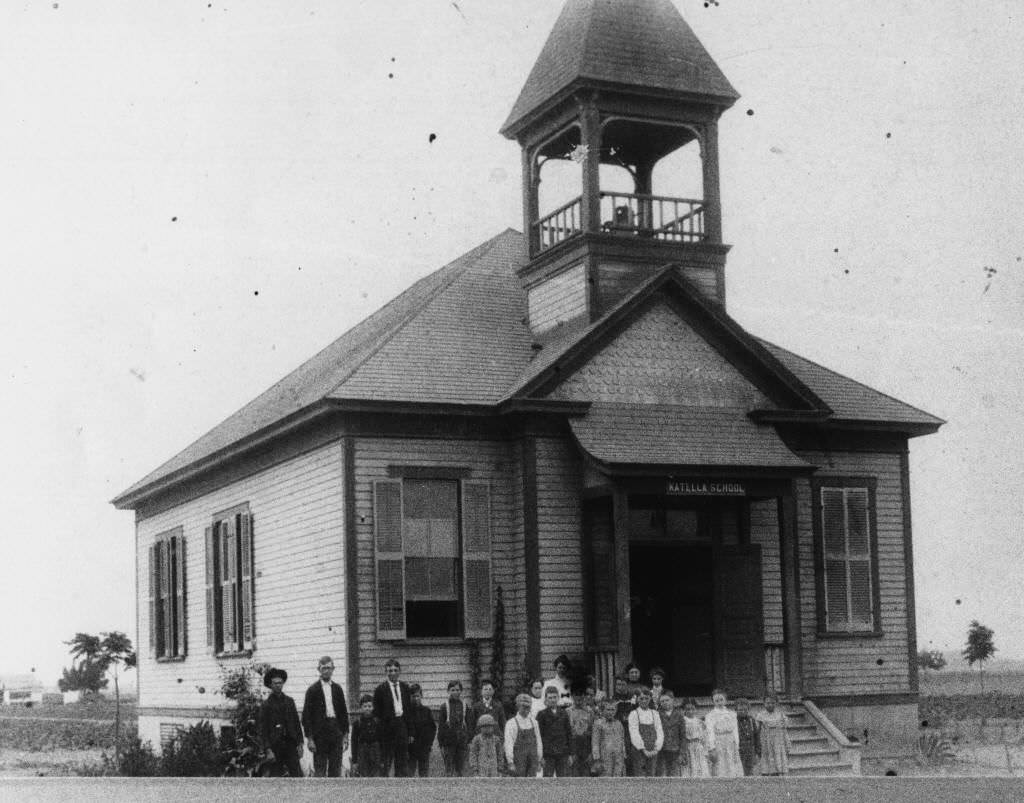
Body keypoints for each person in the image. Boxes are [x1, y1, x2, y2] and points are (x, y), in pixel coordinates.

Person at [301, 656, 349, 778]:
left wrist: (345, 735)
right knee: (320, 769)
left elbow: (343, 713)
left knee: (335, 768)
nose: (326, 671)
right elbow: (306, 717)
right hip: (319, 734)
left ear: (333, 669)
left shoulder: (337, 689)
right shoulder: (312, 690)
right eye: (323, 668)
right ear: (319, 670)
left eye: (329, 668)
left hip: (335, 731)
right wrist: (310, 739)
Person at [259, 667, 304, 777]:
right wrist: (268, 750)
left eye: (280, 683)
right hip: (275, 747)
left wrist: (300, 744)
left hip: (290, 745)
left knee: (297, 776)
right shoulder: (266, 705)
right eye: (275, 683)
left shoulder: (290, 702)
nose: (278, 685)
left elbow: (296, 724)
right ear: (270, 685)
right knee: (276, 777)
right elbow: (263, 730)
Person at [372, 658, 413, 777]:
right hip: (387, 728)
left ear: (400, 671)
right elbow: (377, 714)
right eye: (390, 671)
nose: (393, 673)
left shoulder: (405, 688)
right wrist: (381, 731)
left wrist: (410, 732)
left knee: (402, 761)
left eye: (395, 670)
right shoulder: (380, 689)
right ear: (386, 672)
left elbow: (409, 711)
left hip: (402, 726)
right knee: (386, 761)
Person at [705, 689, 743, 778]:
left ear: (725, 700)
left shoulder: (732, 714)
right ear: (713, 702)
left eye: (721, 700)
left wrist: (737, 744)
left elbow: (735, 730)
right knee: (721, 764)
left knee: (732, 763)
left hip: (730, 742)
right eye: (716, 701)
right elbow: (710, 732)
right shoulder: (710, 715)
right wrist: (712, 747)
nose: (719, 703)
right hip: (719, 742)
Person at [626, 686, 663, 776]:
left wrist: (656, 749)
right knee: (640, 775)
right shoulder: (634, 714)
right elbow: (634, 732)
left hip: (653, 749)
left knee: (652, 775)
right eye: (641, 698)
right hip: (639, 750)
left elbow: (659, 731)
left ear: (650, 699)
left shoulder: (655, 713)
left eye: (646, 698)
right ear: (637, 699)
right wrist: (643, 750)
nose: (644, 701)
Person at [536, 685, 572, 776]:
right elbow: (538, 736)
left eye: (554, 697)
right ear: (546, 699)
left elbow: (569, 734)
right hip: (548, 754)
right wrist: (541, 756)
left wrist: (570, 754)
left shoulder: (564, 713)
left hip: (562, 753)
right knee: (548, 781)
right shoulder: (541, 715)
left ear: (558, 698)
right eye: (550, 698)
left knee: (563, 780)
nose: (552, 700)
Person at [504, 692, 543, 777]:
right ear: (518, 706)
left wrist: (539, 759)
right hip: (519, 761)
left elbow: (538, 741)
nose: (526, 709)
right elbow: (508, 743)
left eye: (528, 707)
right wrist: (510, 762)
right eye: (523, 706)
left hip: (532, 760)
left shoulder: (534, 722)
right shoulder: (511, 723)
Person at [438, 679, 470, 776]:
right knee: (449, 768)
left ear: (461, 691)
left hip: (461, 742)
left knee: (461, 769)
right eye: (452, 690)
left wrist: (468, 740)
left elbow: (469, 723)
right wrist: (441, 743)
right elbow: (441, 726)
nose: (455, 692)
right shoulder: (444, 707)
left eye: (457, 690)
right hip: (448, 742)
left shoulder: (464, 706)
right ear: (448, 691)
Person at [406, 682, 436, 777]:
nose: (415, 699)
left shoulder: (426, 711)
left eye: (417, 696)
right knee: (409, 773)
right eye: (413, 696)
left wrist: (428, 744)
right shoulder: (406, 712)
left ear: (421, 696)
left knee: (424, 774)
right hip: (410, 748)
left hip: (423, 748)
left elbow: (432, 729)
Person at [756, 694, 790, 776]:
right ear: (764, 703)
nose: (770, 705)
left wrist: (786, 742)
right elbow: (758, 730)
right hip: (766, 740)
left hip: (778, 740)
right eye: (768, 703)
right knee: (767, 756)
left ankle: (777, 772)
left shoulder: (780, 715)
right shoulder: (761, 715)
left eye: (772, 703)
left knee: (777, 755)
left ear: (776, 703)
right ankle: (766, 773)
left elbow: (784, 729)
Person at [350, 693, 383, 777]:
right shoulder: (357, 723)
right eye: (365, 706)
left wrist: (382, 759)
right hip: (362, 752)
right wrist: (354, 761)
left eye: (369, 706)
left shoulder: (377, 722)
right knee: (363, 775)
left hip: (375, 751)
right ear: (361, 707)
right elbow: (354, 742)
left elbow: (382, 740)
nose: (367, 708)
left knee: (376, 774)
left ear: (373, 707)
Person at [591, 700, 627, 777]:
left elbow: (622, 740)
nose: (610, 712)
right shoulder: (598, 723)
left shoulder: (618, 723)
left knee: (618, 781)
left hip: (618, 758)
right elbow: (595, 742)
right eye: (608, 709)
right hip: (605, 758)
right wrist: (597, 759)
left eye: (612, 709)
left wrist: (624, 755)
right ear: (603, 710)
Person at [567, 685, 594, 776]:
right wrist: (569, 753)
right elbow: (567, 733)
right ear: (572, 696)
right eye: (576, 695)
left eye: (581, 695)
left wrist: (591, 752)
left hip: (586, 747)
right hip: (573, 747)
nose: (578, 697)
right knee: (574, 774)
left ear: (584, 696)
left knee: (586, 774)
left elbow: (593, 733)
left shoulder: (590, 712)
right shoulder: (568, 712)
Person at [681, 698, 710, 778]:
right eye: (688, 709)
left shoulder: (700, 722)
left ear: (696, 709)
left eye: (692, 709)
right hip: (687, 747)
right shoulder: (682, 721)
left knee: (700, 767)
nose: (690, 711)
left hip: (698, 747)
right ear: (684, 710)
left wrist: (706, 751)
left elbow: (704, 737)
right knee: (688, 769)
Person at [656, 692, 684, 776]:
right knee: (662, 774)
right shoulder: (657, 715)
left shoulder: (679, 715)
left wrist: (682, 752)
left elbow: (682, 734)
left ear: (672, 700)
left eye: (667, 700)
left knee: (674, 774)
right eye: (662, 701)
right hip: (662, 750)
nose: (665, 702)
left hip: (675, 750)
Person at [735, 697, 759, 776]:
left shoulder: (751, 720)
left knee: (749, 769)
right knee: (739, 769)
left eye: (745, 710)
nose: (743, 712)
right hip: (739, 748)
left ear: (748, 710)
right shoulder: (734, 721)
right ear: (736, 710)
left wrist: (757, 750)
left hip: (750, 748)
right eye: (740, 710)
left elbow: (756, 735)